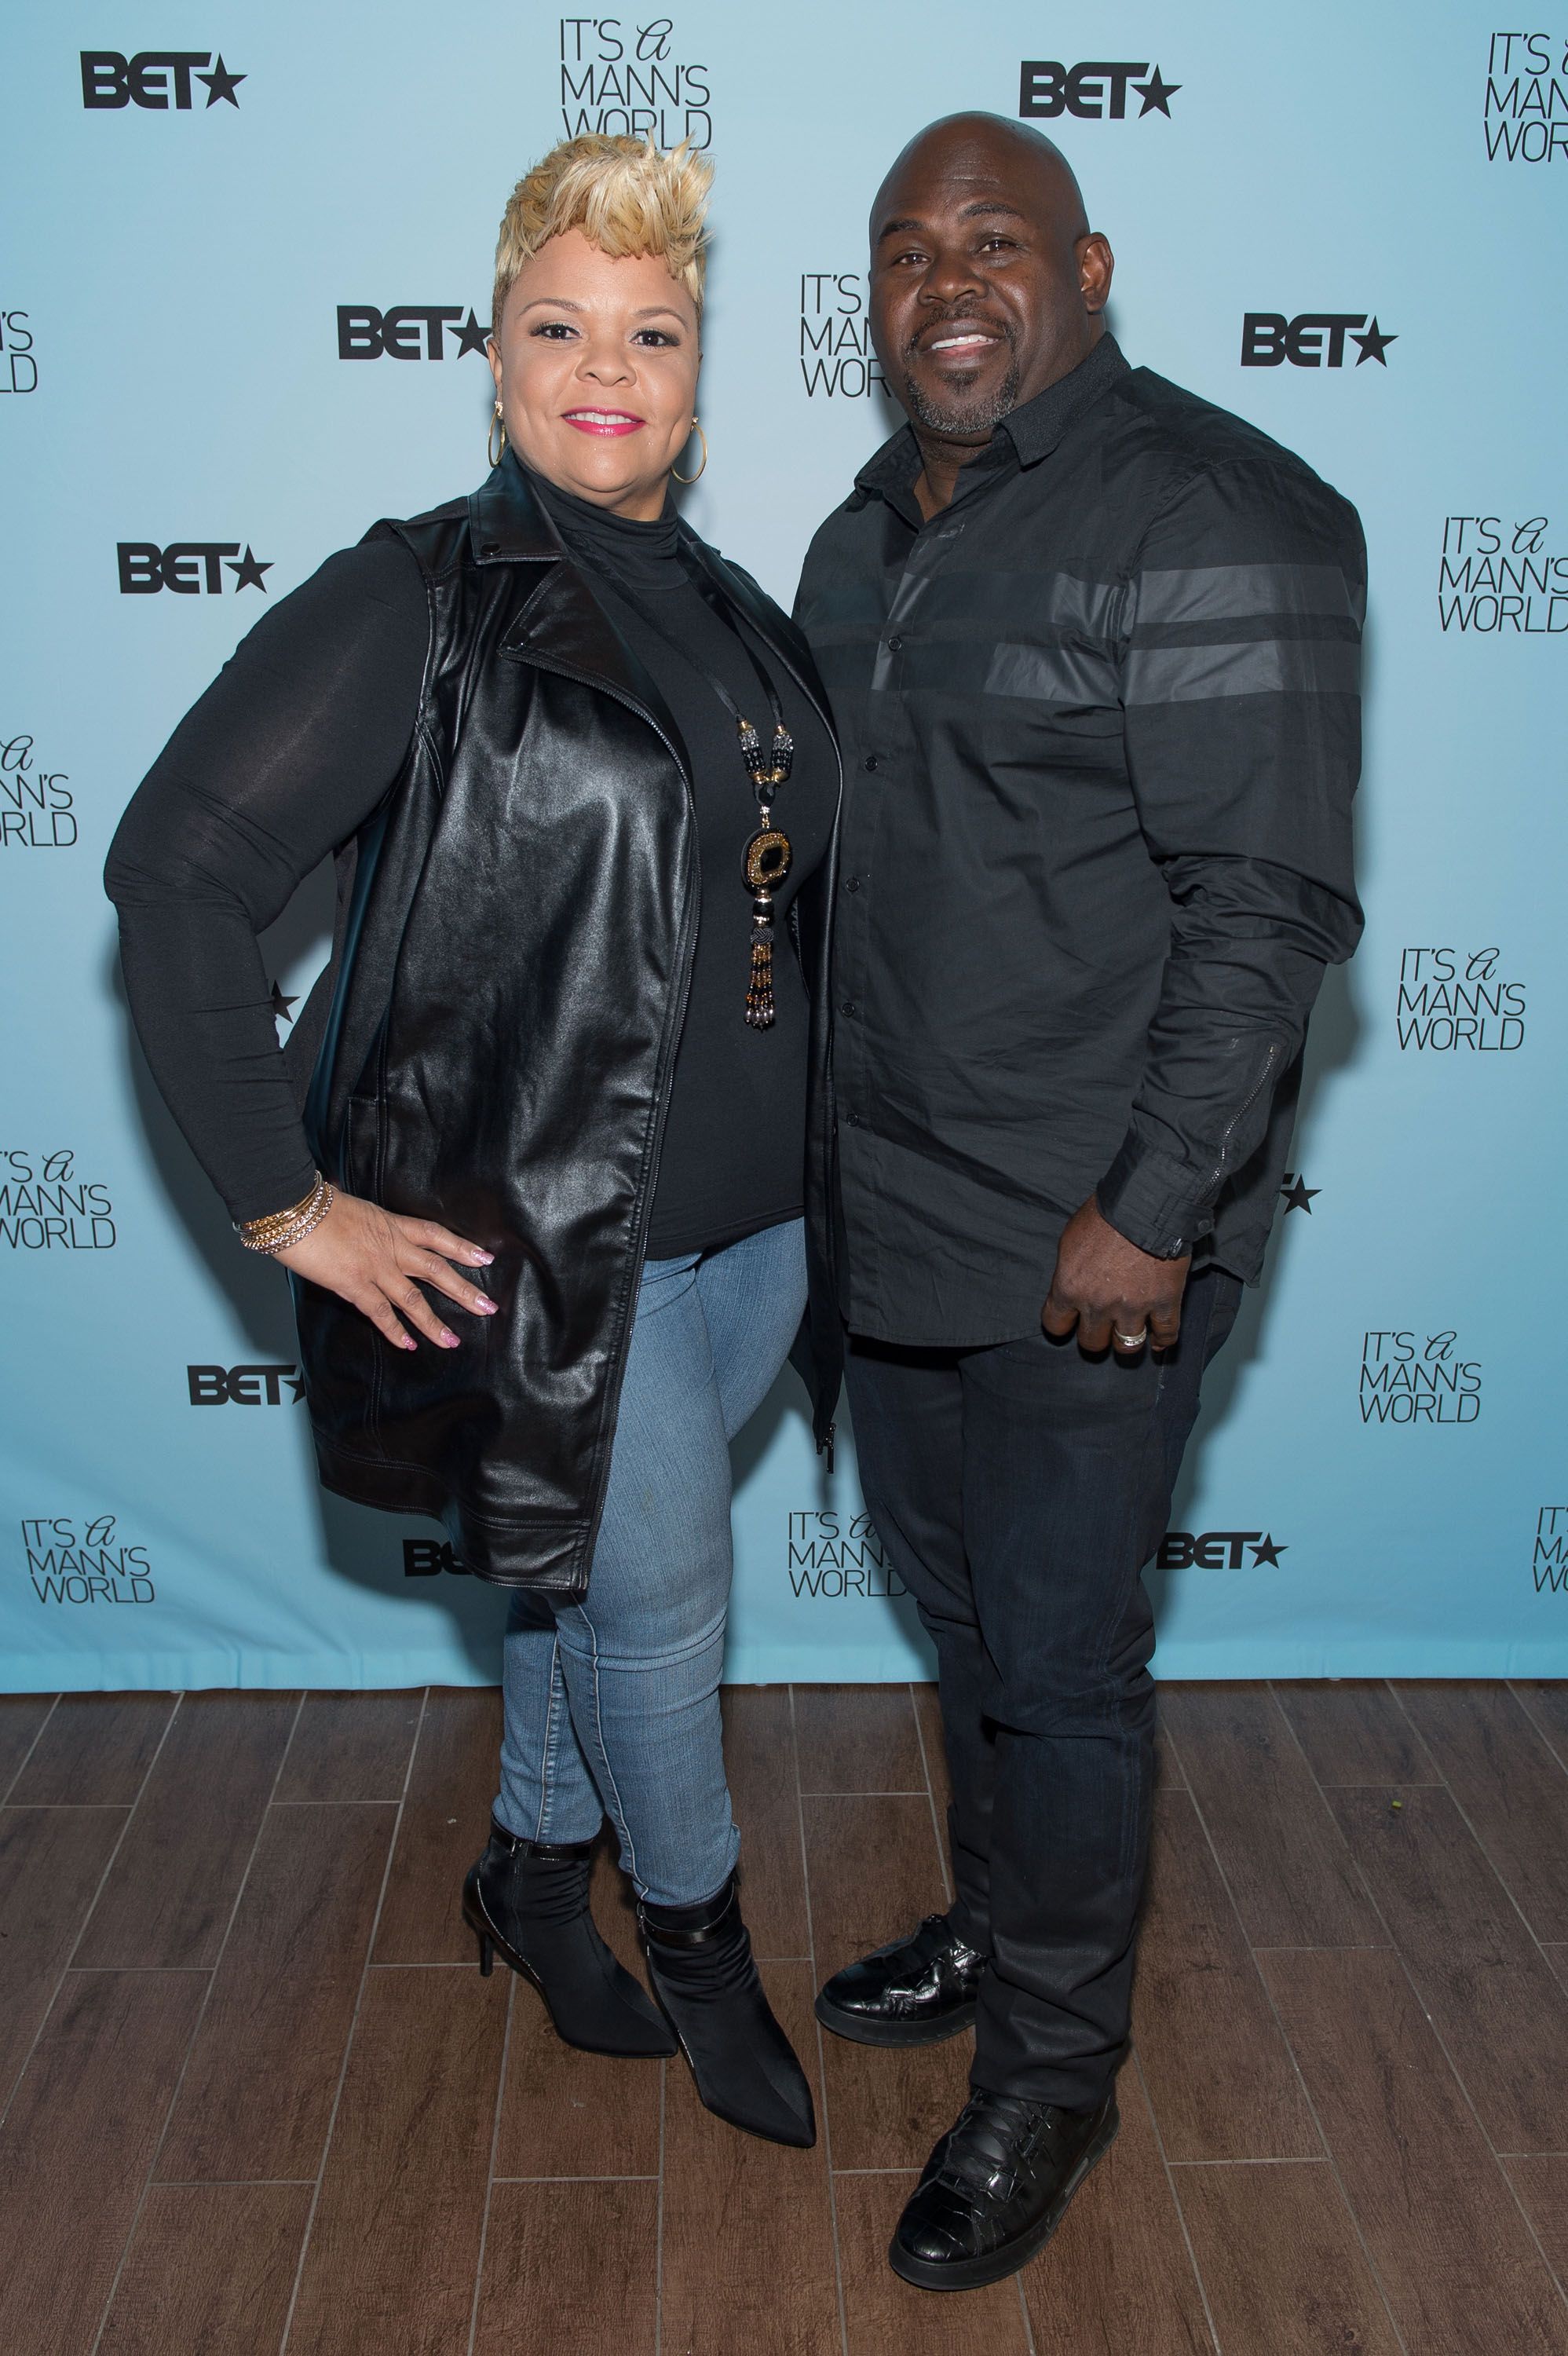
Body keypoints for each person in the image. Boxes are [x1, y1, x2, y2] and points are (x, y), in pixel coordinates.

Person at [105, 135, 842, 2151]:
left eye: (653, 330)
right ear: (495, 357)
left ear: (699, 371)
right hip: (548, 1263)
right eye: (561, 327)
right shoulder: (412, 595)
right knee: (665, 1613)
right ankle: (699, 1949)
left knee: (575, 1591)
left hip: (760, 1241)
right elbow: (178, 872)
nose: (608, 369)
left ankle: (524, 1878)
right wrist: (288, 1201)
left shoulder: (730, 601)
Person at [795, 113, 1363, 2288]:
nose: (946, 279)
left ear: (1087, 263)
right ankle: (999, 1922)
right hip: (894, 1228)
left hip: (1081, 1253)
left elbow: (1261, 908)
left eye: (994, 241)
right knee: (970, 1642)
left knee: (1053, 1668)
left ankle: (1047, 2070)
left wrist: (1146, 1213)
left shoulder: (1213, 511)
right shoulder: (864, 537)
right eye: (903, 249)